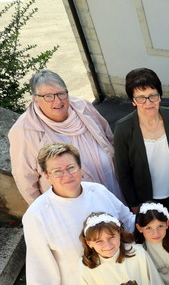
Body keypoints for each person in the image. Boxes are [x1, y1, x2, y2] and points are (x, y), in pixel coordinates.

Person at [23, 143, 134, 285]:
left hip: (120, 274)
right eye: (57, 171)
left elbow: (127, 220)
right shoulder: (37, 214)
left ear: (80, 168)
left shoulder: (98, 191)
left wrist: (157, 227)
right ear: (46, 175)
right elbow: (39, 262)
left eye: (71, 168)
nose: (67, 175)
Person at [9, 70, 124, 204]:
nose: (58, 101)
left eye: (61, 94)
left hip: (112, 187)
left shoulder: (83, 107)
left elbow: (109, 138)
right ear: (36, 99)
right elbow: (25, 178)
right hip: (70, 203)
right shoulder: (24, 130)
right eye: (48, 96)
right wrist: (45, 210)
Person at [113, 68, 169, 227]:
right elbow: (123, 171)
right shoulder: (123, 128)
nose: (148, 103)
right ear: (133, 101)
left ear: (160, 96)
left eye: (153, 96)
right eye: (141, 98)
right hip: (148, 200)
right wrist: (134, 204)